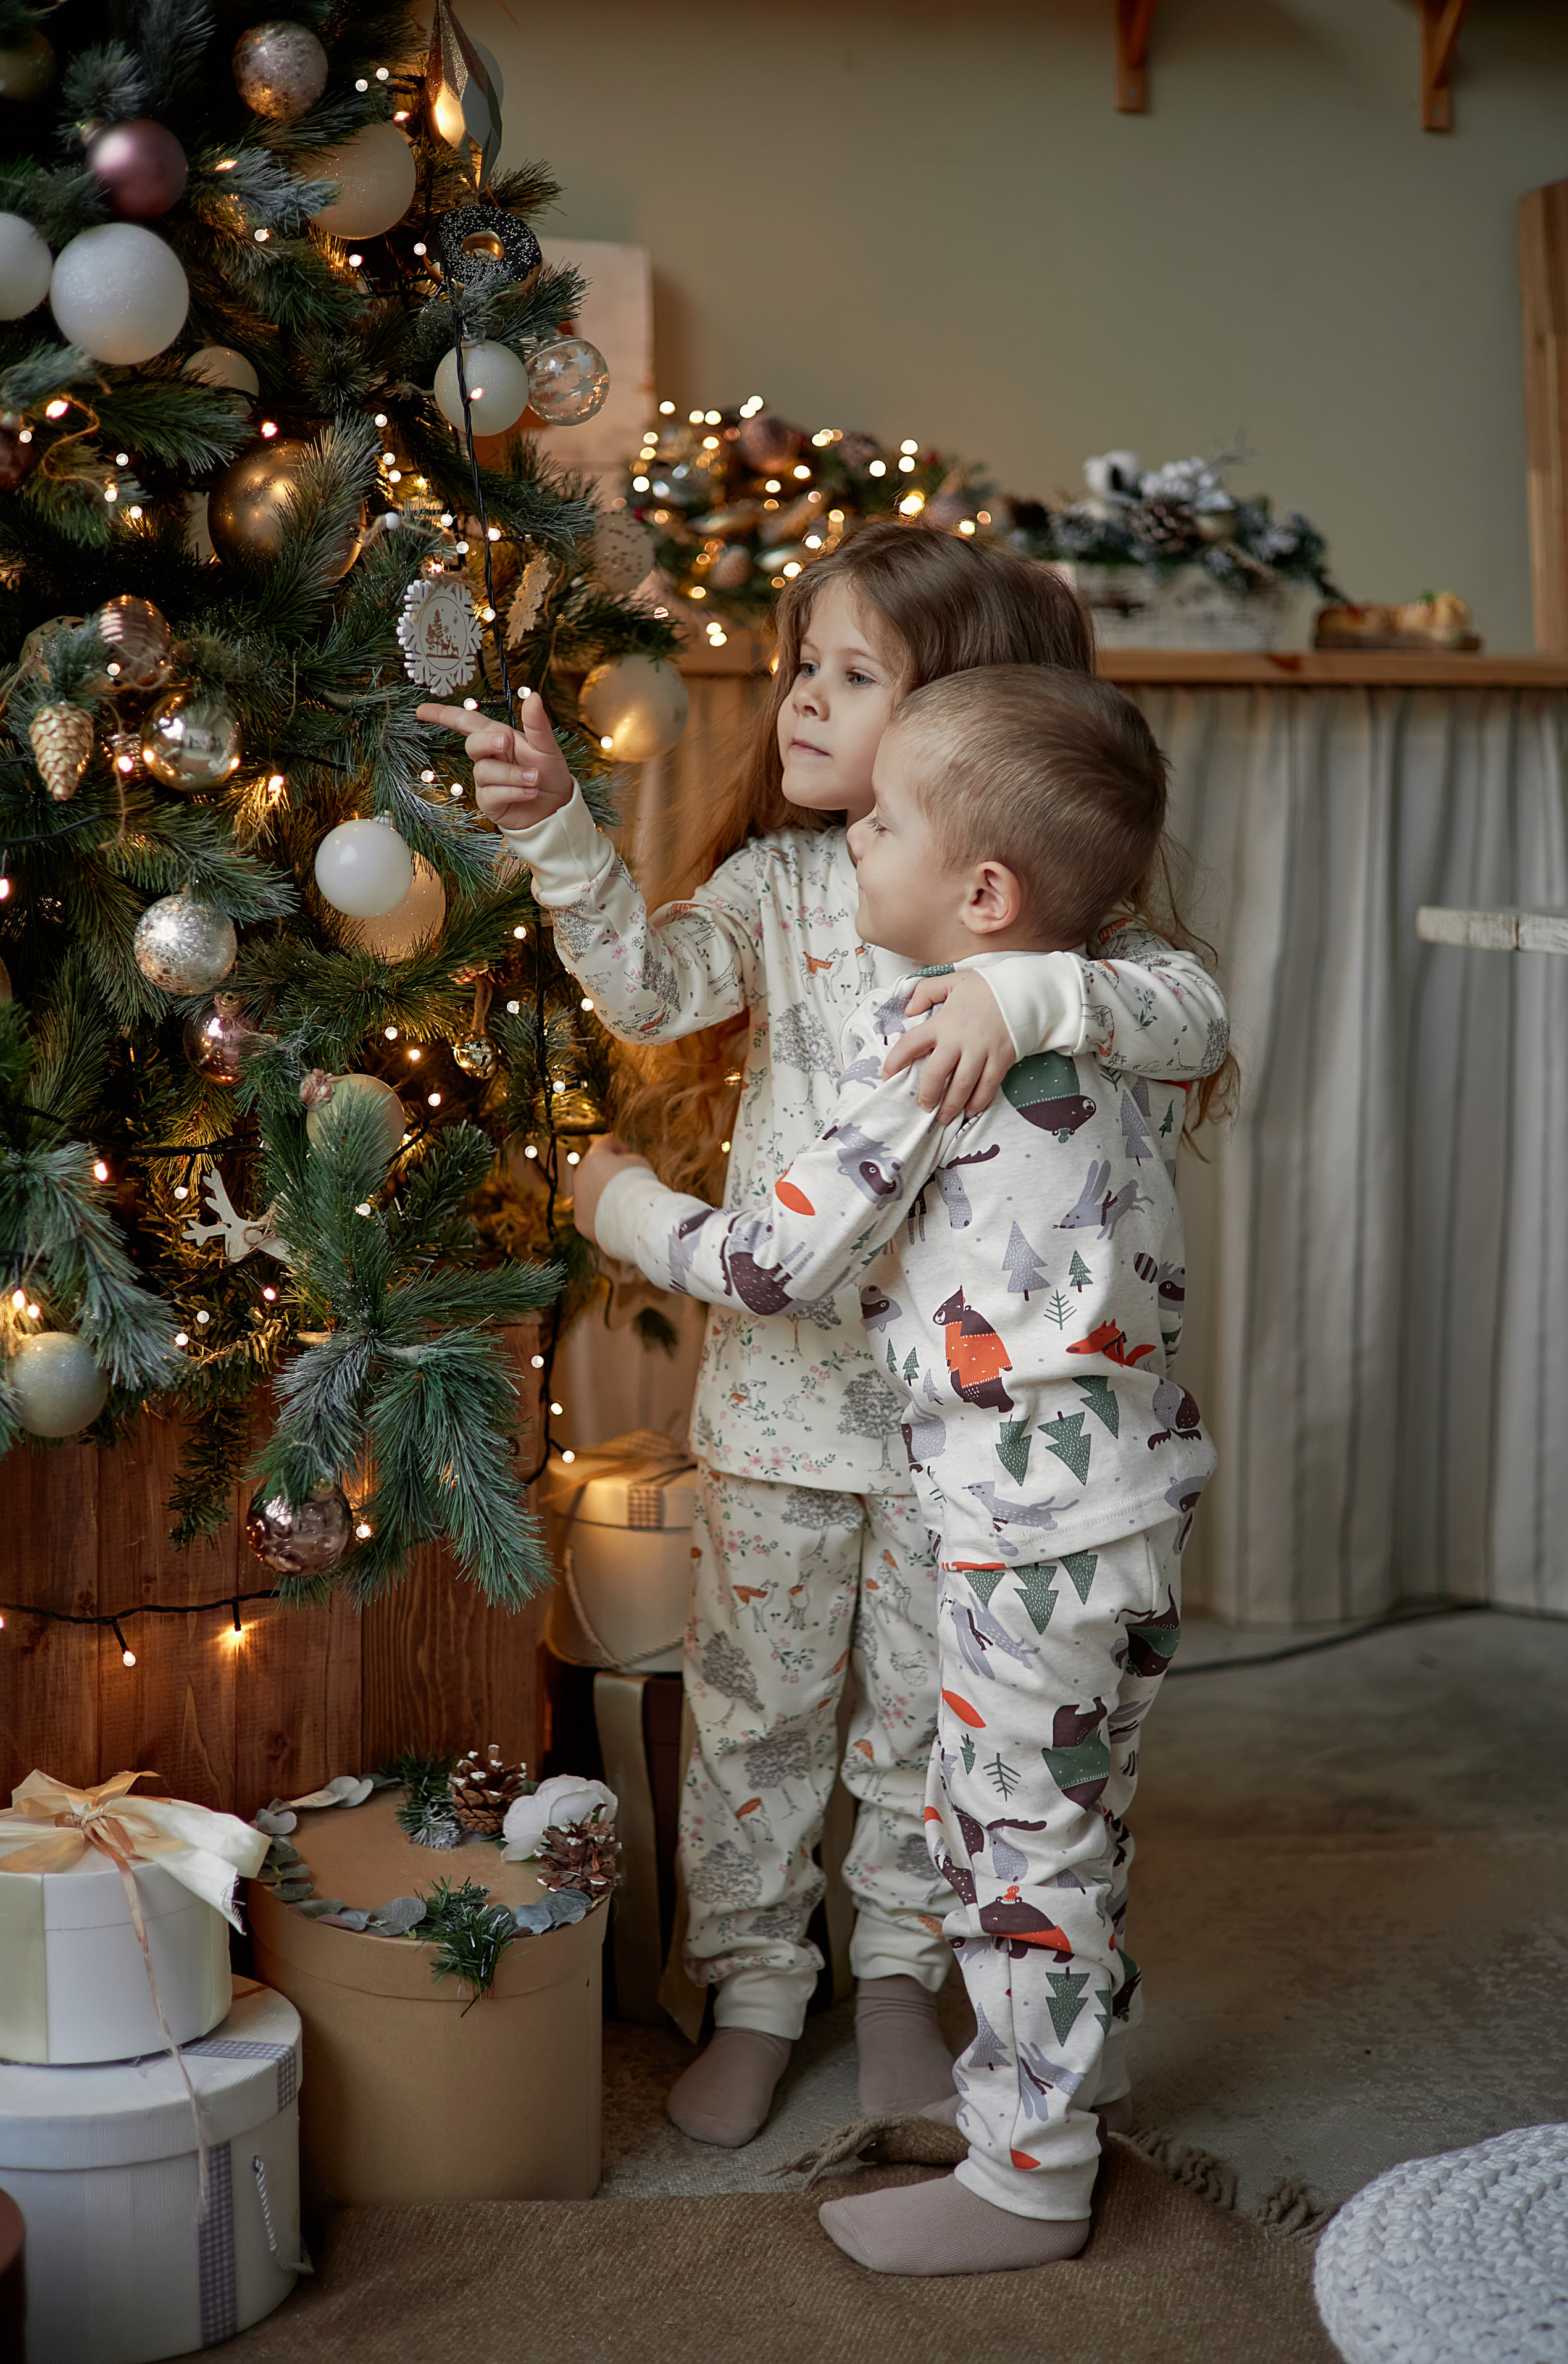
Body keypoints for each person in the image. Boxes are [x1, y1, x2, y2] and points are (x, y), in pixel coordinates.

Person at [420, 527, 1230, 2155]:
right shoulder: (793, 885)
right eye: (805, 661)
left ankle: (898, 1984)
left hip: (969, 1451)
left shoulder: (1063, 942)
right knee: (754, 1715)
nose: (796, 696)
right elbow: (648, 990)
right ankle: (759, 1985)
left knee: (923, 1729)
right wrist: (560, 828)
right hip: (783, 1413)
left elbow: (1194, 1012)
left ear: (977, 718)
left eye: (853, 675)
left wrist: (1036, 1000)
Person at [572, 664, 1222, 2276]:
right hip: (1135, 1513)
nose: (853, 845)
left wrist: (611, 1204)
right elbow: (1186, 1007)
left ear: (982, 893)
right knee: (1079, 1816)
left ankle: (1029, 2178)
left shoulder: (936, 1039)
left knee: (1017, 1847)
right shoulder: (1101, 1006)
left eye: (880, 825)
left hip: (1023, 1529)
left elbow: (775, 1263)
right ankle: (1074, 2063)